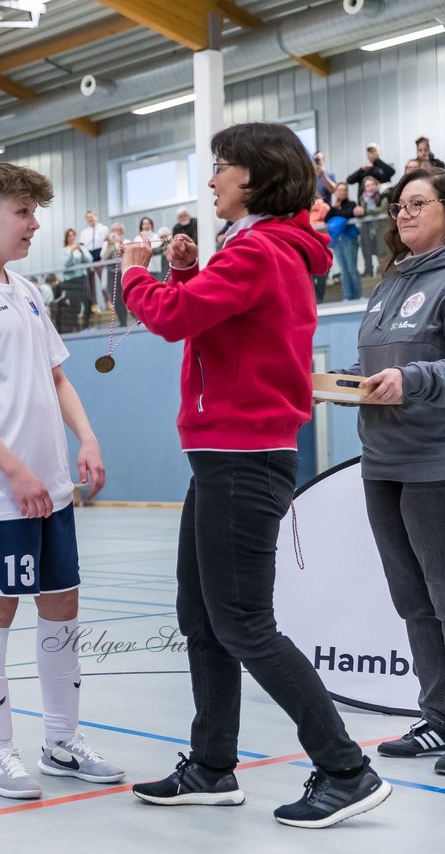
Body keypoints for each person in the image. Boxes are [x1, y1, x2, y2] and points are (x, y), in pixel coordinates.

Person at [122, 122, 391, 828]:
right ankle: (212, 766)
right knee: (203, 617)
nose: (211, 181)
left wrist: (136, 271)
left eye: (220, 168)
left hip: (243, 456)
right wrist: (185, 270)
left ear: (256, 176)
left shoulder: (263, 252)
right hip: (222, 455)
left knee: (242, 622)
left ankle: (346, 769)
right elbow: (211, 319)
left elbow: (174, 319)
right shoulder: (253, 250)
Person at [0, 162, 120, 802]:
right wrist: (13, 470)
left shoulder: (28, 291)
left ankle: (62, 741)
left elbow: (58, 376)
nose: (35, 223)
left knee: (62, 604)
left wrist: (86, 437)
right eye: (24, 212)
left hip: (52, 490)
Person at [332, 167, 445, 779]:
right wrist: (340, 382)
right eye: (399, 206)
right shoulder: (390, 282)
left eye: (418, 204)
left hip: (435, 461)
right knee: (414, 600)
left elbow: (426, 369)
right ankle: (439, 717)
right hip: (383, 462)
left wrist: (417, 379)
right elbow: (377, 361)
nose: (403, 214)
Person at [326, 182, 364, 300]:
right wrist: (334, 207)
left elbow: (347, 215)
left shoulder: (351, 204)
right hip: (338, 241)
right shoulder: (334, 206)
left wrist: (337, 213)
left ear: (347, 192)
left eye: (344, 190)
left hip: (349, 239)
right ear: (336, 192)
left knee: (352, 268)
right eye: (339, 190)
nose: (341, 192)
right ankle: (347, 296)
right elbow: (327, 218)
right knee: (343, 270)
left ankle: (357, 295)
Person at [357, 174, 389, 277]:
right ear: (364, 188)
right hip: (367, 230)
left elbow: (381, 209)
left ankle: (385, 275)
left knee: (382, 253)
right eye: (367, 185)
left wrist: (365, 211)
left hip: (382, 229)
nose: (370, 187)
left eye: (372, 185)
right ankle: (369, 273)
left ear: (376, 185)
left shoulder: (383, 196)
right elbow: (360, 212)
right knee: (367, 252)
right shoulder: (362, 199)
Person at [79, 210, 110, 310]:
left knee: (104, 281)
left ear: (96, 217)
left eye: (91, 217)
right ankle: (94, 304)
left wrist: (103, 257)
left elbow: (106, 243)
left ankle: (108, 301)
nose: (90, 219)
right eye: (88, 218)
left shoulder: (104, 228)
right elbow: (82, 246)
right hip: (88, 258)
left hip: (100, 257)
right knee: (90, 283)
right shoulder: (84, 232)